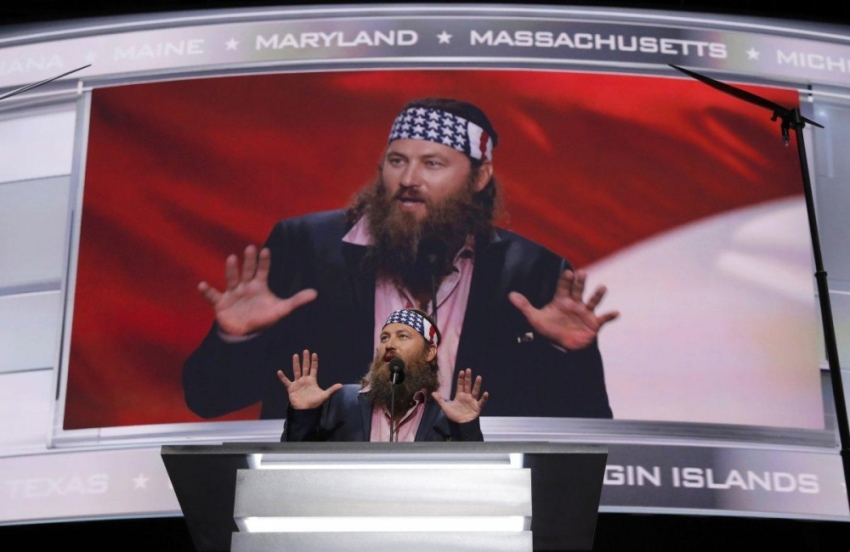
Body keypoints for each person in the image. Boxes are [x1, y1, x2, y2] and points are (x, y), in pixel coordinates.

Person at [183, 97, 619, 419]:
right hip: (326, 490)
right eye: (397, 161)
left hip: (471, 496)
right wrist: (236, 340)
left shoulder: (532, 271)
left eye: (433, 164)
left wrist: (567, 356)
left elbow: (585, 428)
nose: (409, 179)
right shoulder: (306, 248)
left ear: (480, 177)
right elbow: (208, 399)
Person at [280, 308, 487, 442]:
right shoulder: (342, 402)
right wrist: (303, 414)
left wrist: (467, 427)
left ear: (429, 352)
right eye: (384, 337)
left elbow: (474, 480)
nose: (389, 345)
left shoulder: (446, 416)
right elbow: (295, 465)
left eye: (402, 336)